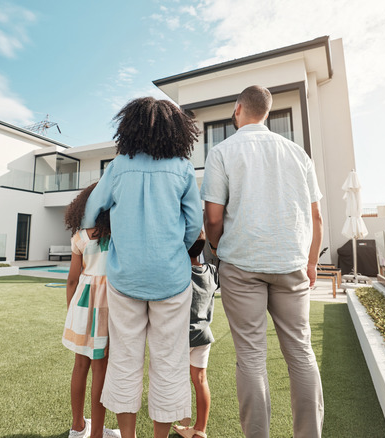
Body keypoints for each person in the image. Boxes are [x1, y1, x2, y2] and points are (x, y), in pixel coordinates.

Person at [200, 85, 325, 438]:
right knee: (301, 353)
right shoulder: (298, 154)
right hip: (292, 265)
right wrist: (312, 262)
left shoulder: (222, 151)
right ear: (267, 113)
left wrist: (216, 248)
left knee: (252, 358)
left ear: (238, 109)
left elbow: (212, 217)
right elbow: (317, 219)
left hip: (241, 265)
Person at [80, 97, 203, 438]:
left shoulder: (119, 165)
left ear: (129, 127)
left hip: (126, 277)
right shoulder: (182, 167)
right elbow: (194, 223)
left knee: (124, 361)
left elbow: (91, 211)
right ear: (176, 130)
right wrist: (174, 247)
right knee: (169, 362)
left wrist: (102, 225)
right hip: (172, 279)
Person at [62, 183, 121, 438]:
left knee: (79, 366)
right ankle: (97, 432)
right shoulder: (118, 235)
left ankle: (78, 427)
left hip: (82, 304)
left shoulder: (80, 236)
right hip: (108, 305)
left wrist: (71, 311)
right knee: (100, 369)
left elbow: (72, 280)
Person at [173, 231, 217, 438]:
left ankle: (182, 420)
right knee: (200, 380)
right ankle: (200, 429)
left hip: (181, 337)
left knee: (172, 380)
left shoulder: (178, 273)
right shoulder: (211, 271)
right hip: (203, 335)